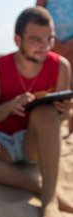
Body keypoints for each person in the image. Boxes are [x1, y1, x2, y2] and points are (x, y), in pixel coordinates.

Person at [0, 6, 72, 217]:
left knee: (46, 111)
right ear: (17, 39)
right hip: (3, 141)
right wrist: (11, 106)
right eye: (36, 40)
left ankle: (49, 201)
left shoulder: (61, 66)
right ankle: (39, 187)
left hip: (35, 143)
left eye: (49, 39)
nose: (45, 47)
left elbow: (58, 119)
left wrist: (66, 111)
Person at [36, 0, 73, 138]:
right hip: (50, 44)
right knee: (56, 91)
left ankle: (71, 130)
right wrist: (51, 40)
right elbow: (37, 14)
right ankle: (54, 130)